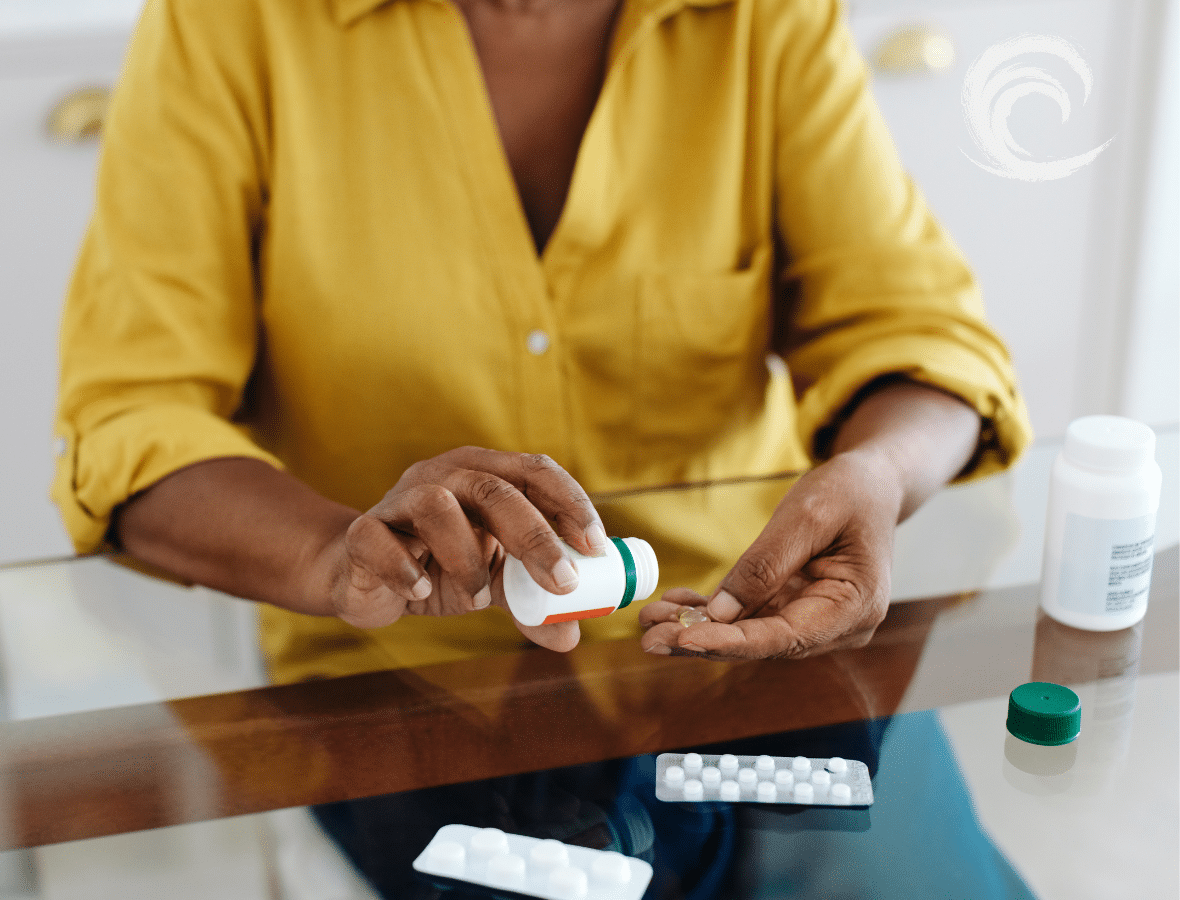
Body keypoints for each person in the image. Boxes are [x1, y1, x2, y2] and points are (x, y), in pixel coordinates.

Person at [52, 0, 1031, 684]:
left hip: (736, 637)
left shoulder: (763, 18)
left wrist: (876, 474)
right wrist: (332, 556)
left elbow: (918, 332)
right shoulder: (229, 22)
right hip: (388, 684)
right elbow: (132, 417)